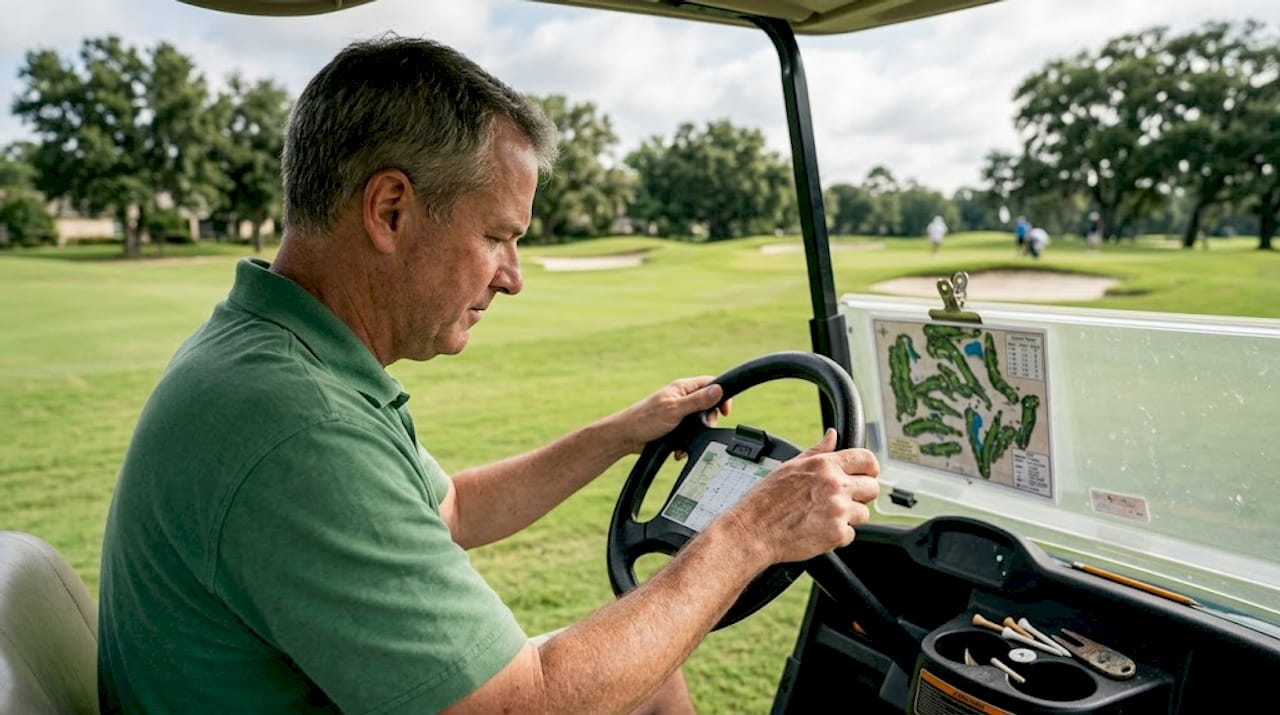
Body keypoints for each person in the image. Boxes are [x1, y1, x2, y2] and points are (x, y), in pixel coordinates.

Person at [96, 35, 881, 715]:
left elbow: (456, 506)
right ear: (392, 210)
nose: (512, 277)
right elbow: (514, 704)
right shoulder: (301, 426)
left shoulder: (274, 353)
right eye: (498, 236)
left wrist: (619, 433)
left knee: (649, 680)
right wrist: (750, 532)